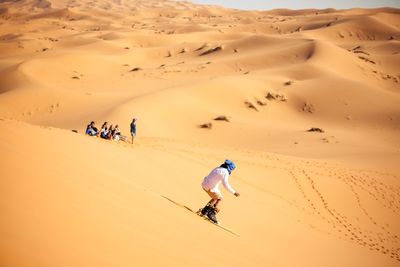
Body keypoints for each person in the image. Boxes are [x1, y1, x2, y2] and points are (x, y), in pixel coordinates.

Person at [200, 159, 240, 224]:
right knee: (219, 198)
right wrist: (234, 192)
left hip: (204, 184)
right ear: (230, 167)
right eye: (233, 169)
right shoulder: (225, 172)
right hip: (209, 187)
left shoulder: (218, 168)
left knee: (215, 197)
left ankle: (204, 211)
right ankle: (211, 214)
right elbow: (225, 184)